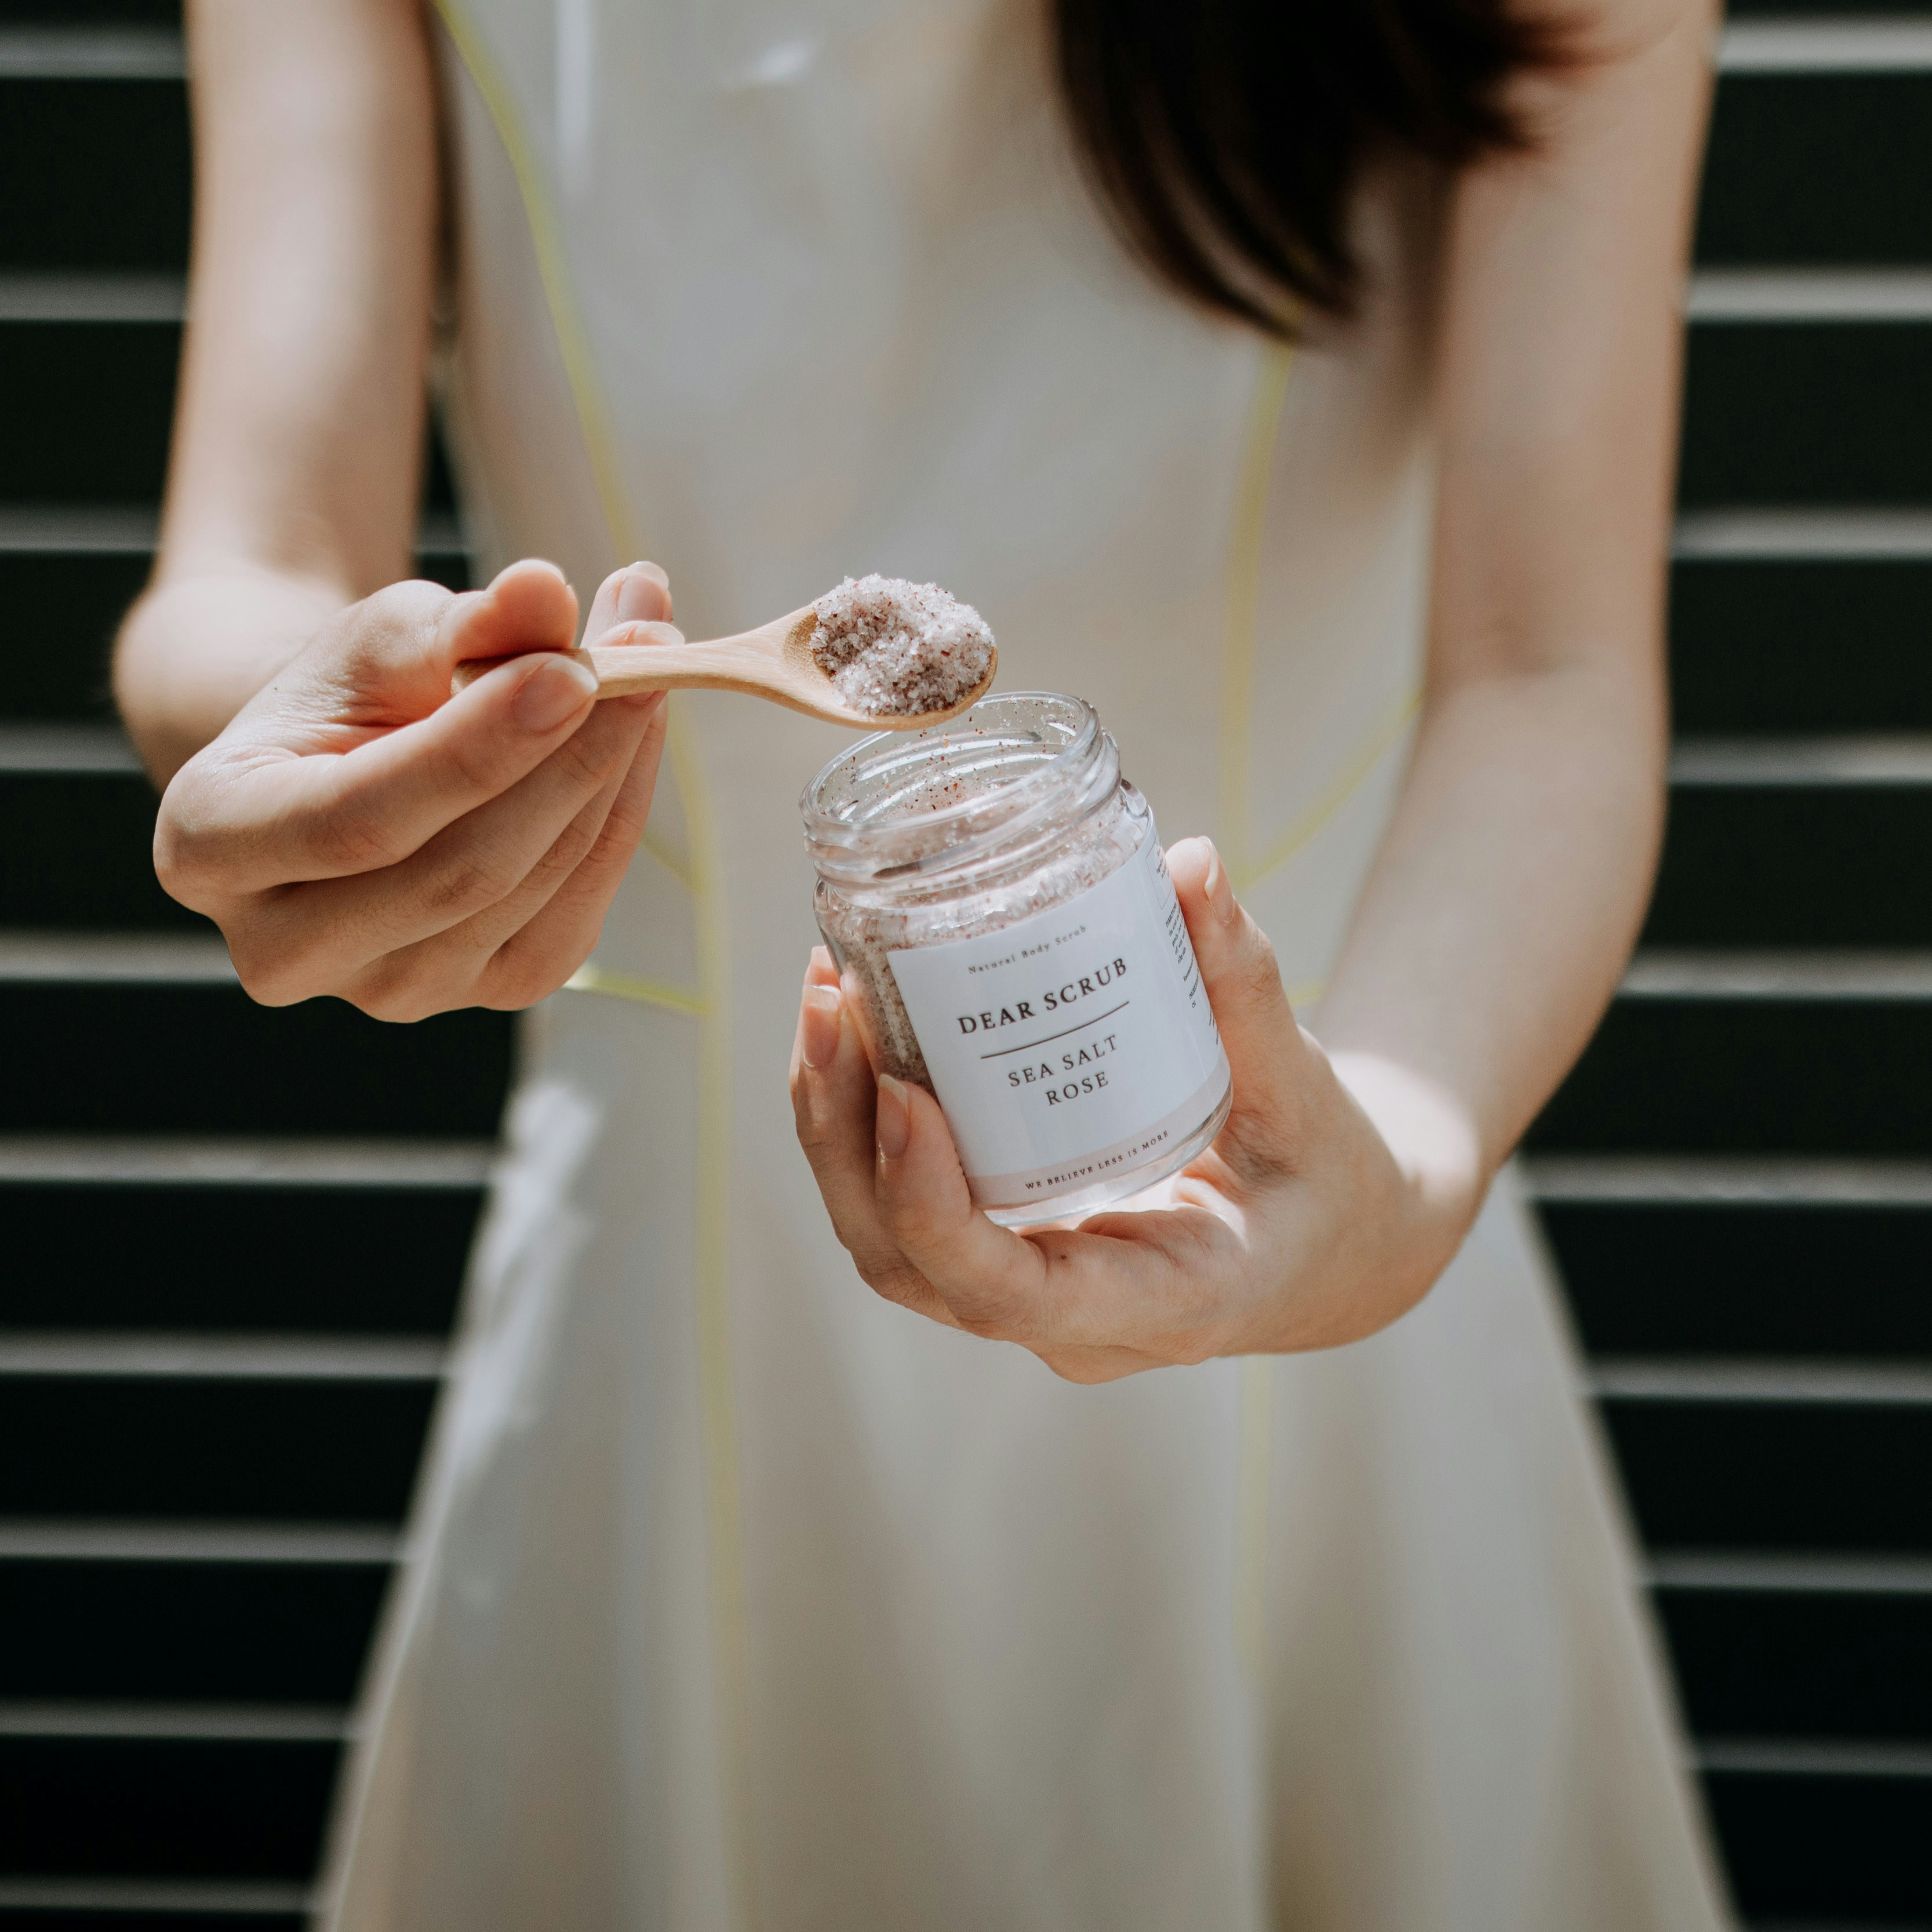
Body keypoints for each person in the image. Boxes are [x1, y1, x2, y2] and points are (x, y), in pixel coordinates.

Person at [118, 0, 1732, 1925]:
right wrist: (332, 754)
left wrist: (1392, 1159)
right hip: (676, 1339)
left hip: (1338, 1206)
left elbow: (1547, 672)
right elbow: (250, 571)